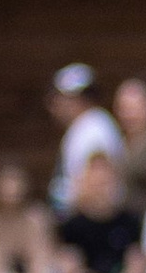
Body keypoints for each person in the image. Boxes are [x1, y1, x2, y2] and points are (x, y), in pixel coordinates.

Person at [47, 64, 125, 213]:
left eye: (62, 98)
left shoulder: (96, 127)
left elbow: (97, 184)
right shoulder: (82, 126)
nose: (56, 105)